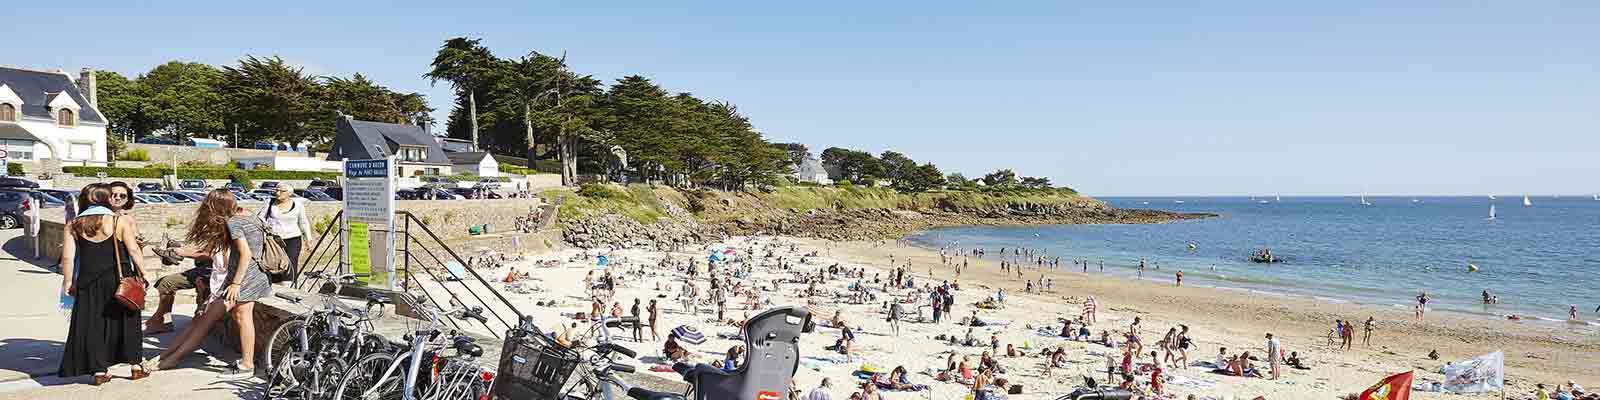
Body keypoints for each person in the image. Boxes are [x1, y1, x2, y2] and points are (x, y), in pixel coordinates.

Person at [147, 189, 273, 379]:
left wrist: (236, 284)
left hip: (246, 277)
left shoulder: (234, 222)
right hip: (253, 274)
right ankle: (167, 357)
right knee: (216, 318)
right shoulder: (247, 214)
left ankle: (246, 364)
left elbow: (245, 254)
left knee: (226, 317)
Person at [58, 186, 150, 385]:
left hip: (88, 280)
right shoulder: (119, 221)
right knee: (128, 319)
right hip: (120, 278)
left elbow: (68, 257)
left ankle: (100, 370)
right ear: (106, 199)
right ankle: (135, 366)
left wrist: (68, 281)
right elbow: (133, 249)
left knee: (94, 324)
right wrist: (143, 272)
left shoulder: (73, 224)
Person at [144, 256, 214, 334]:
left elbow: (211, 254)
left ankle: (202, 319)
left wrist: (182, 252)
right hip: (202, 269)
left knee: (202, 283)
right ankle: (163, 321)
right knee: (165, 283)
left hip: (216, 272)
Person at [260, 183, 311, 283]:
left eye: (281, 191)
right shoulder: (270, 203)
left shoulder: (298, 205)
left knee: (291, 263)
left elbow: (303, 222)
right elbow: (260, 218)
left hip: (293, 238)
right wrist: (266, 226)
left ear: (289, 193)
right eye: (276, 190)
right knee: (274, 262)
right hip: (274, 240)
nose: (278, 193)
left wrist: (308, 239)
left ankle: (289, 286)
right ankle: (275, 285)